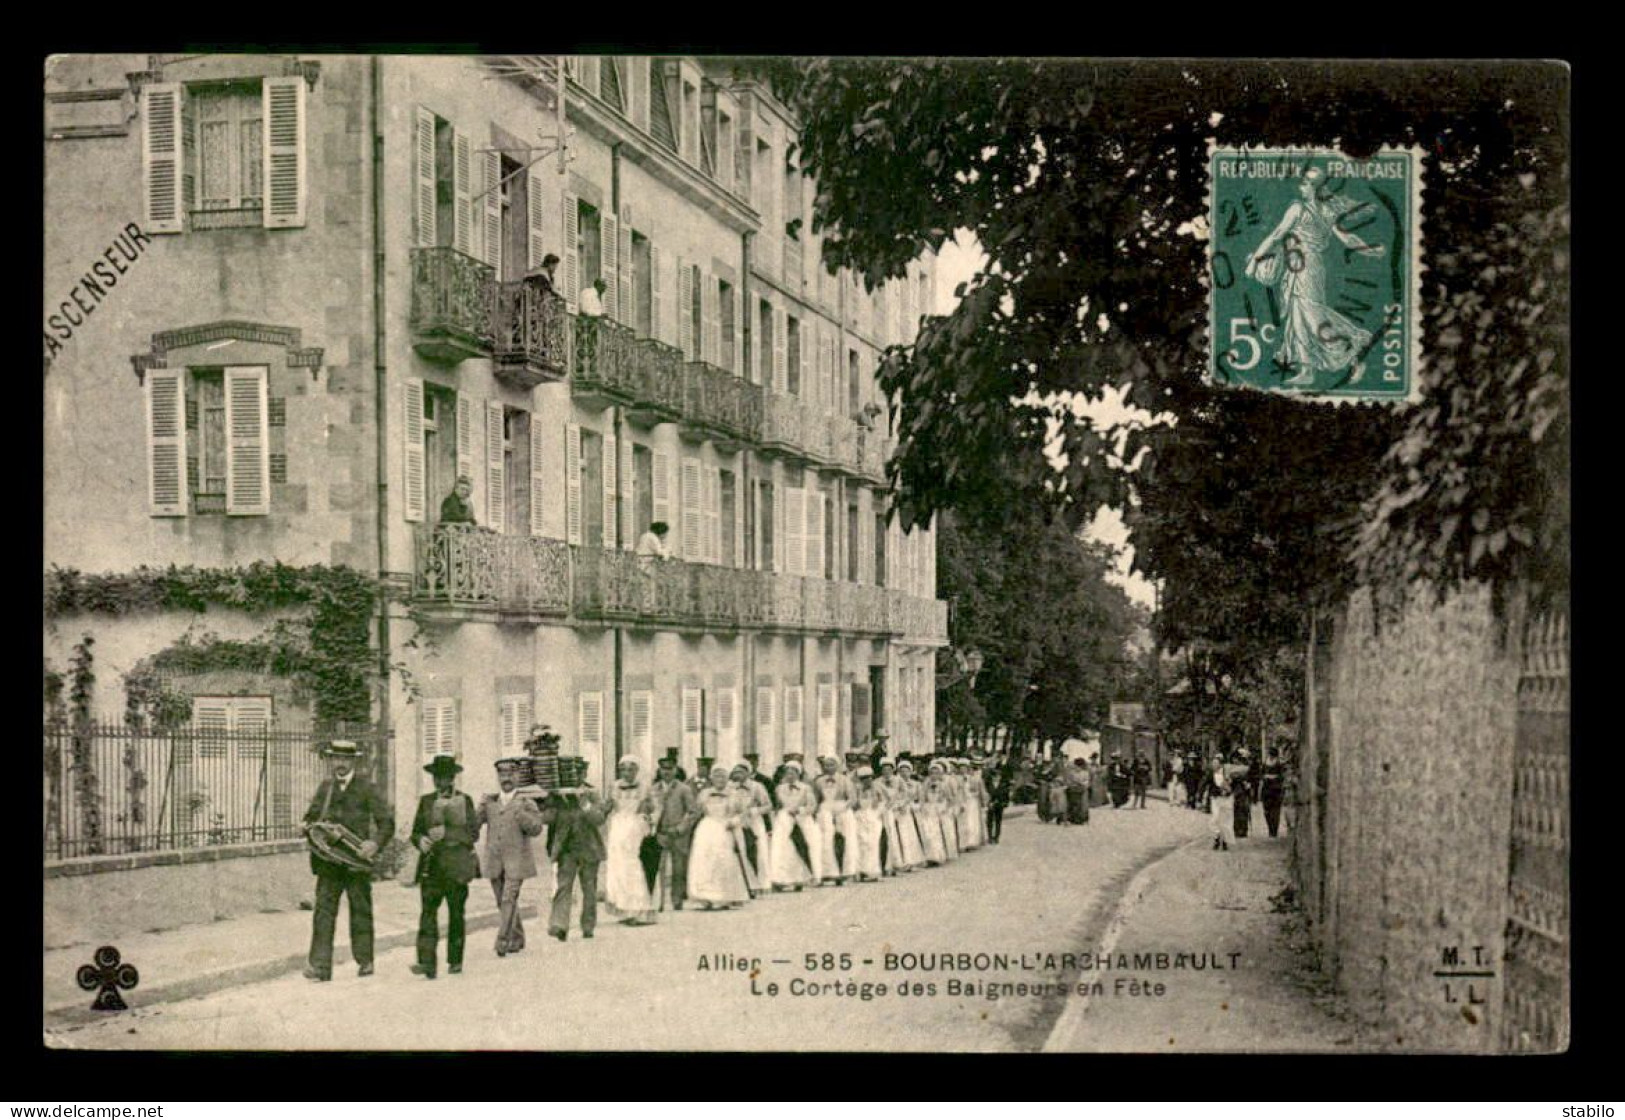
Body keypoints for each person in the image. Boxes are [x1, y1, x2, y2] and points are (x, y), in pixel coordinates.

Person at [1244, 165, 1387, 386]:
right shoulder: (1327, 212)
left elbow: (1276, 235)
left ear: (1314, 187)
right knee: (1298, 315)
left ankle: (1354, 356)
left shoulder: (1298, 209)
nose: (1301, 186)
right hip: (1302, 265)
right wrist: (1369, 250)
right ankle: (1307, 370)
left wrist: (1255, 260)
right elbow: (1348, 239)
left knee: (1313, 316)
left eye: (1305, 183)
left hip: (1305, 266)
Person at [301, 740, 393, 982]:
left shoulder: (367, 788)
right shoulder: (326, 787)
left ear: (353, 761)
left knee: (360, 911)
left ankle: (365, 961)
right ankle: (321, 966)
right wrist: (307, 825)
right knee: (323, 912)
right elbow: (311, 817)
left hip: (356, 862)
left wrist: (374, 844)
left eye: (344, 759)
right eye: (335, 759)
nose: (339, 764)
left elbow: (387, 823)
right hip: (328, 862)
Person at [409, 754, 479, 980]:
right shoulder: (426, 801)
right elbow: (415, 831)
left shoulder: (465, 801)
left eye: (445, 777)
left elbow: (473, 833)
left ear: (453, 778)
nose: (440, 782)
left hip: (457, 866)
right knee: (428, 914)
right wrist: (421, 841)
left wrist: (447, 833)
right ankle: (427, 962)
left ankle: (455, 960)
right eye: (436, 778)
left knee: (456, 913)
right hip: (431, 866)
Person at [477, 758, 545, 957]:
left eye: (510, 774)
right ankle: (517, 937)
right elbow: (474, 826)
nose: (506, 778)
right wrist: (480, 807)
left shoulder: (526, 802)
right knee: (502, 900)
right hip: (494, 859)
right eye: (502, 775)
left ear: (517, 776)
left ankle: (502, 940)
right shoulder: (490, 802)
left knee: (508, 898)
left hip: (517, 860)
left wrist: (521, 815)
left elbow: (536, 829)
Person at [537, 773, 608, 941]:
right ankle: (560, 925)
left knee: (589, 889)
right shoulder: (558, 796)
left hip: (589, 849)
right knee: (563, 887)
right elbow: (547, 819)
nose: (572, 779)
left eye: (575, 775)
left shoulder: (592, 793)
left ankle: (588, 925)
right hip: (567, 850)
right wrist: (544, 804)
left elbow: (599, 819)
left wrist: (585, 804)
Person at [688, 766, 752, 909]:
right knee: (704, 860)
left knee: (722, 860)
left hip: (724, 828)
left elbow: (743, 813)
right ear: (711, 778)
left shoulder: (734, 794)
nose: (720, 780)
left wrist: (734, 821)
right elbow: (697, 811)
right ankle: (704, 897)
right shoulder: (704, 794)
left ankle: (722, 897)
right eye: (716, 777)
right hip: (707, 828)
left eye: (723, 777)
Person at [605, 758, 658, 925]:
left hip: (634, 825)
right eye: (623, 770)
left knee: (631, 863)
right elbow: (607, 807)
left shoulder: (644, 788)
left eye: (630, 769)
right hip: (617, 825)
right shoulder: (613, 786)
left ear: (636, 770)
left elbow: (652, 808)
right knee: (617, 865)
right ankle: (623, 909)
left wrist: (646, 819)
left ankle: (637, 908)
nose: (627, 773)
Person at [650, 753, 701, 910]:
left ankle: (676, 900)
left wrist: (680, 828)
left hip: (678, 835)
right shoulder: (653, 789)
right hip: (661, 833)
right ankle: (659, 902)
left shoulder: (684, 789)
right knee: (659, 867)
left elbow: (693, 812)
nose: (666, 772)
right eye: (663, 769)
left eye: (670, 769)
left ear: (675, 770)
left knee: (679, 869)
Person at [769, 759, 820, 889]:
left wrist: (799, 811)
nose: (790, 775)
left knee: (804, 844)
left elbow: (812, 806)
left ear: (798, 774)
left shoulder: (805, 788)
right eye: (787, 773)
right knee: (781, 845)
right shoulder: (779, 789)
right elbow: (777, 806)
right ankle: (780, 878)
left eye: (793, 773)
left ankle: (803, 876)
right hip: (784, 819)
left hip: (801, 818)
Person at [813, 755, 857, 885]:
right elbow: (816, 799)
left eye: (832, 764)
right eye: (826, 765)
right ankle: (828, 872)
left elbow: (852, 798)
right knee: (825, 841)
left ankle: (847, 871)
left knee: (847, 839)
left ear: (837, 766)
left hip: (842, 809)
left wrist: (843, 808)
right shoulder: (819, 782)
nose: (829, 767)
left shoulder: (845, 780)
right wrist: (817, 812)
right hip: (825, 811)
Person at [730, 762, 773, 895]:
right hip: (738, 822)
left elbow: (768, 806)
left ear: (748, 773)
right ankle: (746, 883)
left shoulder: (757, 787)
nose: (738, 775)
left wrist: (755, 811)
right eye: (736, 772)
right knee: (741, 851)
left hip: (754, 821)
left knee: (759, 851)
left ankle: (762, 883)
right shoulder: (730, 787)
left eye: (741, 772)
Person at [851, 767, 886, 882]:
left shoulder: (877, 789)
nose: (867, 780)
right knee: (861, 843)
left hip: (873, 817)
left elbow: (883, 802)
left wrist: (877, 813)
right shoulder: (856, 790)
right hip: (860, 817)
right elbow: (854, 804)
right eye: (864, 778)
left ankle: (872, 871)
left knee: (872, 843)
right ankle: (860, 870)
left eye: (869, 778)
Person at [1205, 756, 1235, 851]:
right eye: (1213, 763)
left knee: (1226, 820)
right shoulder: (1210, 774)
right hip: (1215, 799)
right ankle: (1217, 835)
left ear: (1220, 764)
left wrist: (1229, 789)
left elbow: (1234, 784)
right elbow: (1204, 783)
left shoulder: (1227, 773)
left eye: (1216, 763)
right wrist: (1199, 795)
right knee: (1215, 818)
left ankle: (1225, 841)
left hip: (1226, 799)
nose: (1214, 765)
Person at [1259, 747, 1288, 838]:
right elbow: (1261, 775)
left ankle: (1274, 830)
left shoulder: (1279, 764)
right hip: (1266, 790)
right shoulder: (1264, 764)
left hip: (1276, 790)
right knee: (1266, 810)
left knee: (1275, 811)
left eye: (1272, 755)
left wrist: (1273, 777)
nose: (1270, 757)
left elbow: (1282, 776)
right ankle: (1270, 828)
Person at [983, 758, 1011, 844]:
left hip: (999, 803)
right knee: (989, 821)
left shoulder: (1004, 783)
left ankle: (996, 837)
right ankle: (990, 837)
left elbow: (1006, 794)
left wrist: (1005, 803)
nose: (997, 776)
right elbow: (986, 792)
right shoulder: (988, 782)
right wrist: (988, 802)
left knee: (998, 821)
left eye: (999, 775)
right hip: (991, 803)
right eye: (995, 775)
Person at [1232, 749, 1254, 839]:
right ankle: (1237, 829)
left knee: (1243, 810)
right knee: (1236, 811)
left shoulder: (1246, 768)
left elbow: (1251, 779)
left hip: (1243, 792)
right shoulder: (1232, 768)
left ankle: (1243, 830)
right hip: (1235, 791)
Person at [1065, 757, 1092, 825]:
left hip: (1082, 790)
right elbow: (1068, 782)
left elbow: (1087, 782)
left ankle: (1082, 818)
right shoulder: (1071, 773)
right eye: (1076, 766)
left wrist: (1083, 784)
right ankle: (1072, 818)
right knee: (1073, 803)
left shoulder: (1085, 773)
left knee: (1082, 804)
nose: (1077, 767)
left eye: (1078, 766)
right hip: (1073, 790)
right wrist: (1072, 784)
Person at [1045, 760, 1070, 825]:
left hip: (1060, 791)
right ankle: (1055, 818)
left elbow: (1065, 782)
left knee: (1061, 806)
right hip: (1056, 791)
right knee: (1057, 806)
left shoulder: (1064, 772)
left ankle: (1062, 820)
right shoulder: (1053, 772)